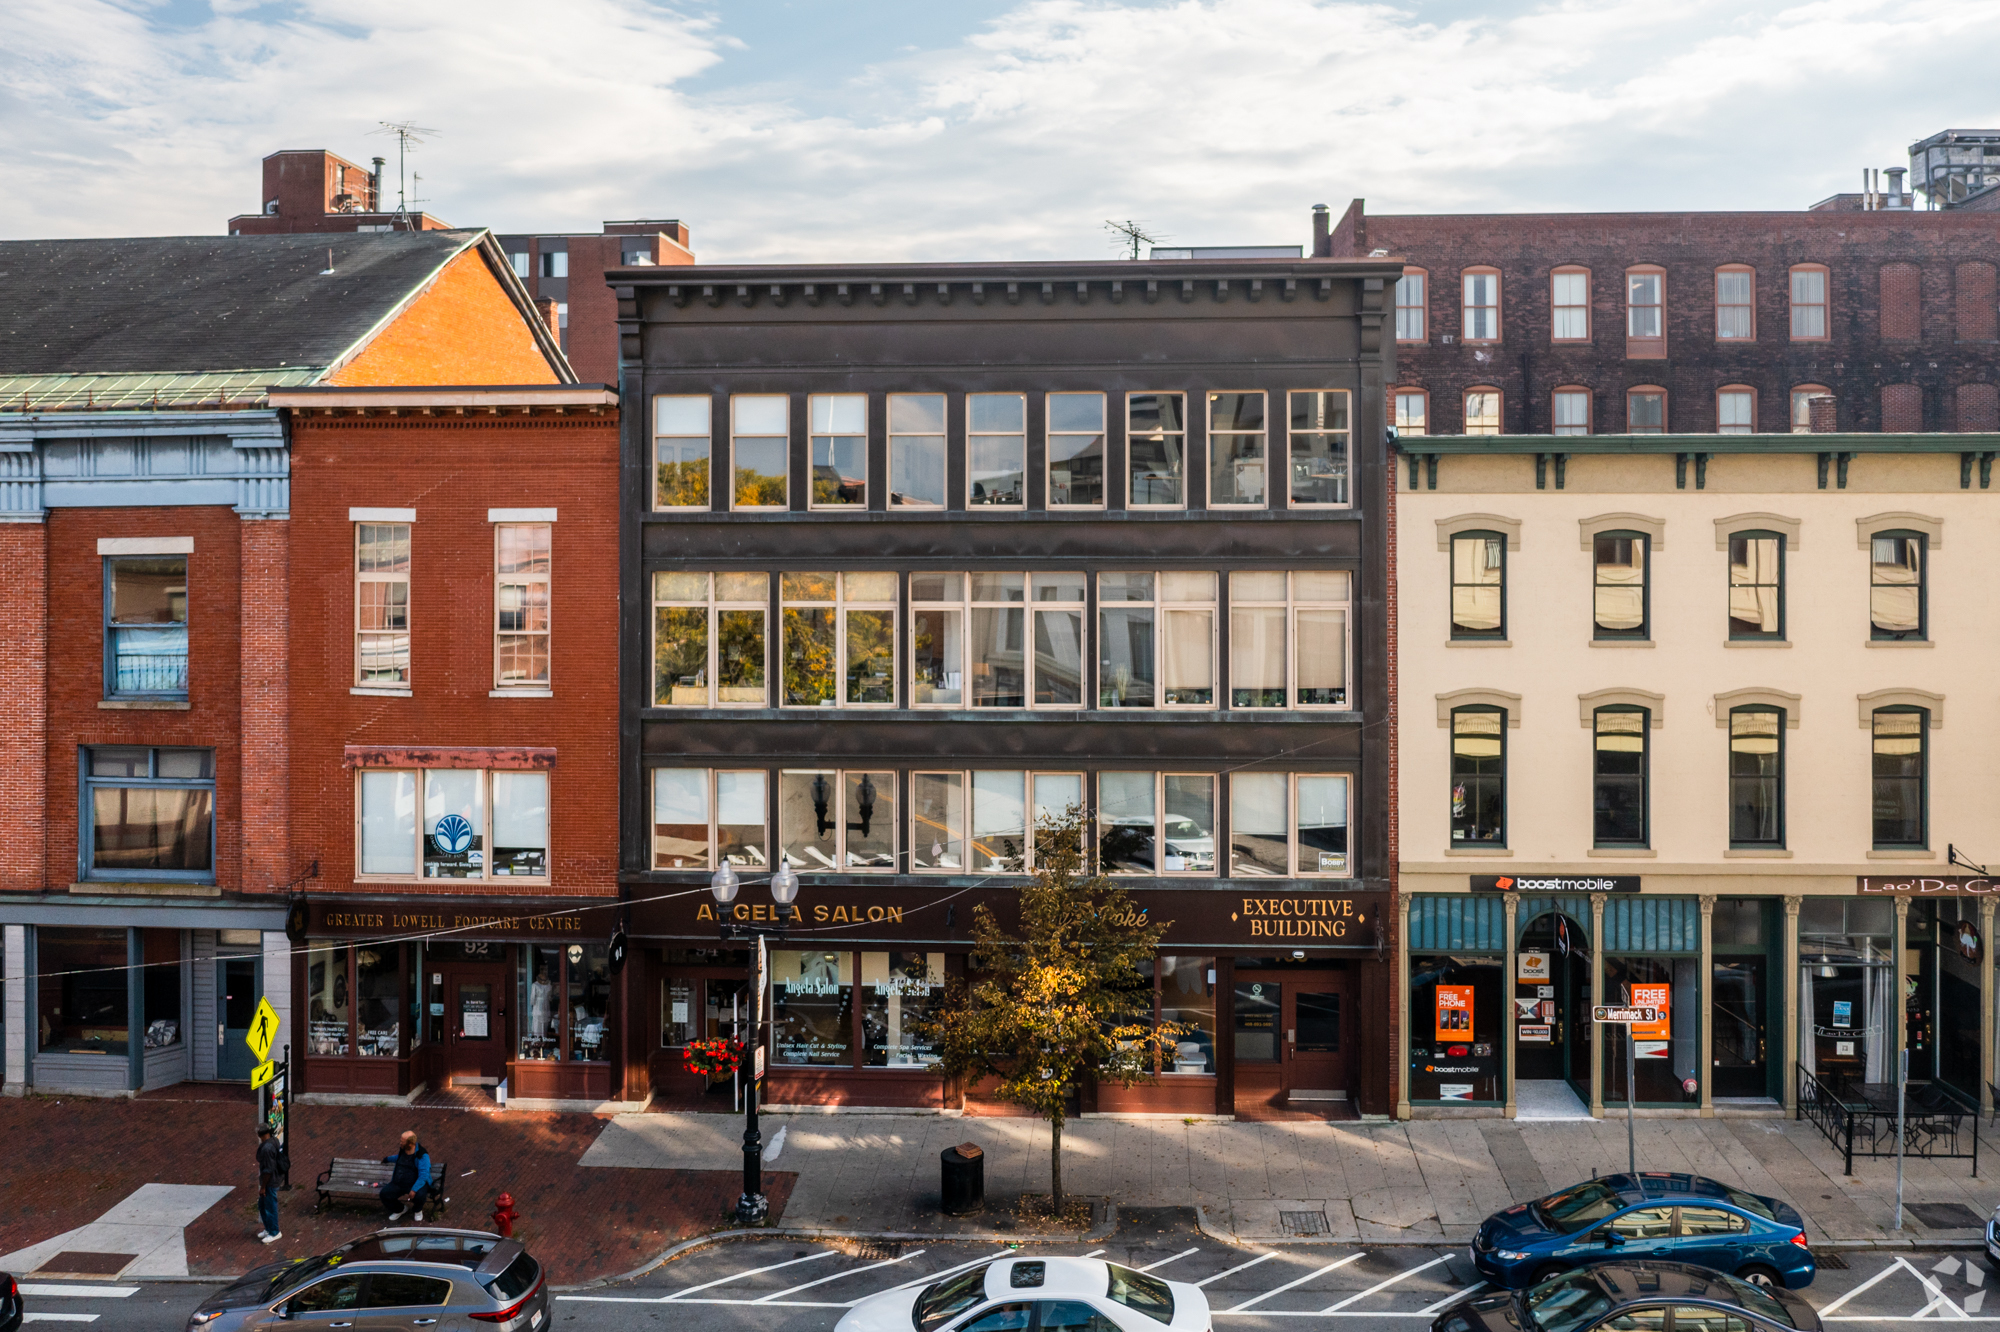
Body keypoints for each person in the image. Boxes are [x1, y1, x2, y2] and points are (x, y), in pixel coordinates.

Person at [380, 1130, 432, 1222]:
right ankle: (400, 1209)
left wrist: (414, 1189)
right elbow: (399, 1158)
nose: (400, 1143)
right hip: (399, 1182)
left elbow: (423, 1175)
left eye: (402, 1141)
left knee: (420, 1195)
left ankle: (417, 1210)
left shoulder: (422, 1156)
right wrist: (387, 1159)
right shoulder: (404, 1150)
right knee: (384, 1194)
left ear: (410, 1144)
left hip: (415, 1183)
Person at [255, 1125, 284, 1243]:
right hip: (273, 1179)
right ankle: (269, 1228)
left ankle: (274, 1232)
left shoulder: (267, 1149)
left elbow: (268, 1170)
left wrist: (263, 1187)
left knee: (270, 1207)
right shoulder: (274, 1141)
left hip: (270, 1182)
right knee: (263, 1205)